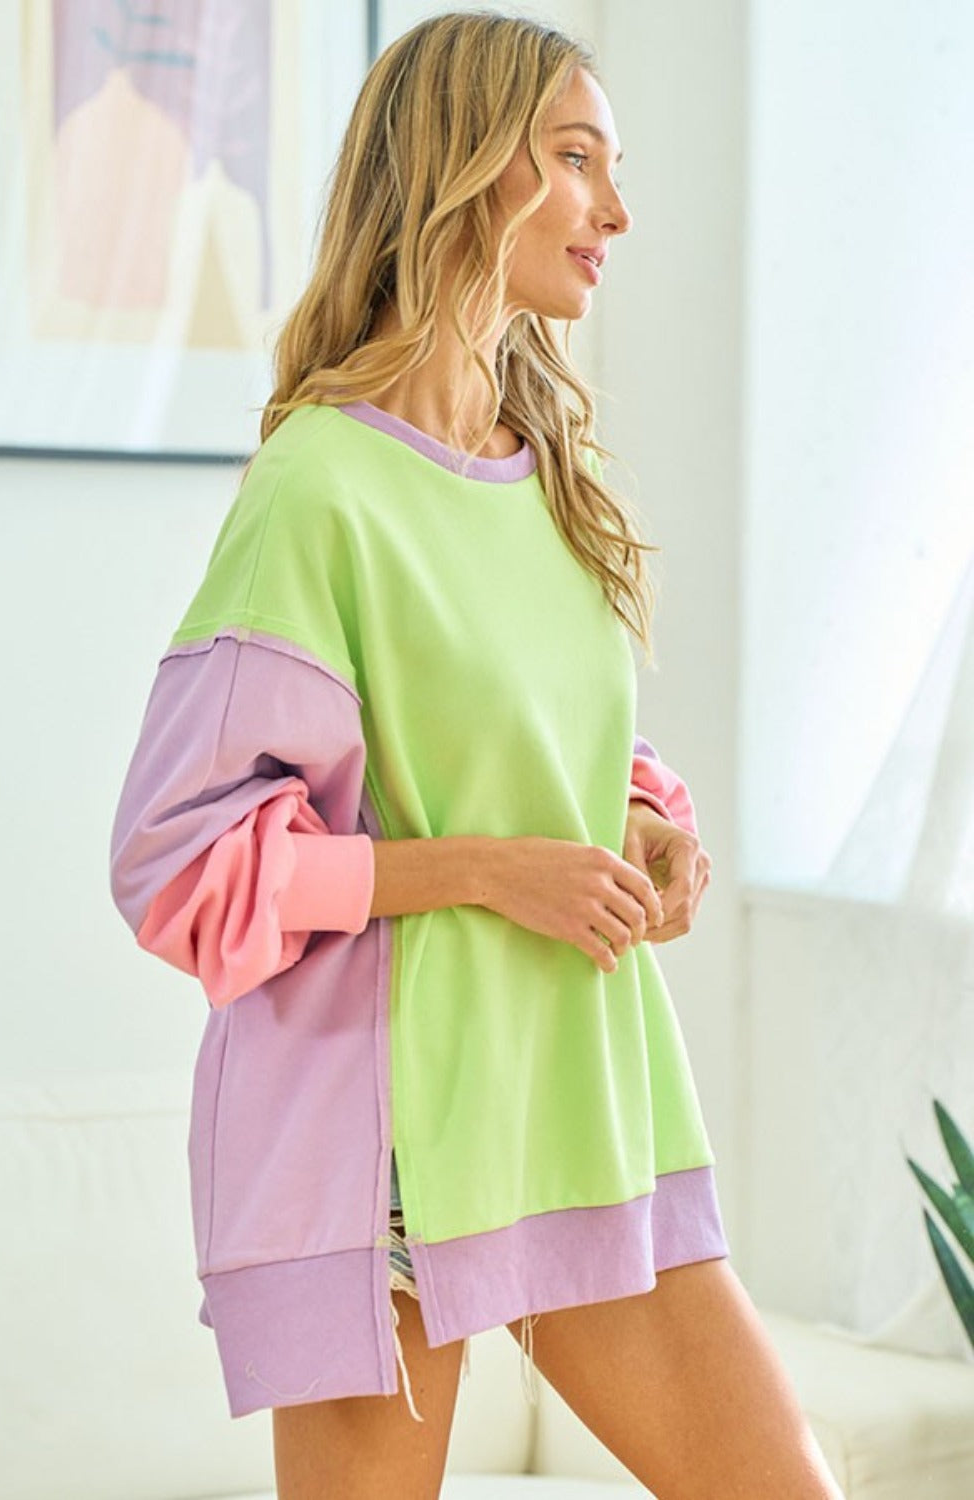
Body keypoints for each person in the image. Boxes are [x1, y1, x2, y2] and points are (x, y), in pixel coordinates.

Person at [110, 11, 845, 1499]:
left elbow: (530, 740)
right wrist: (488, 875)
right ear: (464, 172)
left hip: (580, 1101)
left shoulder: (549, 473)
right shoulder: (321, 485)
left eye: (616, 169)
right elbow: (177, 864)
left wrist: (644, 822)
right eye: (577, 160)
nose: (618, 211)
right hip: (378, 1140)